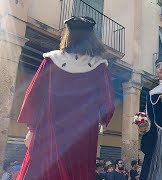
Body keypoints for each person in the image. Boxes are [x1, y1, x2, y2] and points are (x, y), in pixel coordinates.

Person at [16, 16, 115, 180]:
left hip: (49, 129)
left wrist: (32, 129)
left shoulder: (51, 61)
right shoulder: (99, 66)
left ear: (67, 34)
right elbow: (107, 102)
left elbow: (34, 95)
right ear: (91, 37)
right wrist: (102, 121)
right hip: (82, 134)